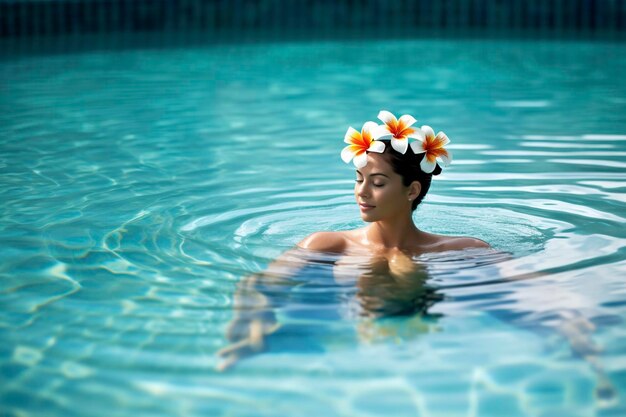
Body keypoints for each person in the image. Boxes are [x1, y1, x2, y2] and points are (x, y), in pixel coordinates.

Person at [216, 111, 489, 371]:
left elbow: (521, 292)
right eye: (359, 180)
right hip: (335, 349)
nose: (362, 192)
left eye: (378, 183)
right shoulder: (325, 245)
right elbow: (259, 285)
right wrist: (255, 318)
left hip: (425, 353)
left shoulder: (466, 249)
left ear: (412, 190)